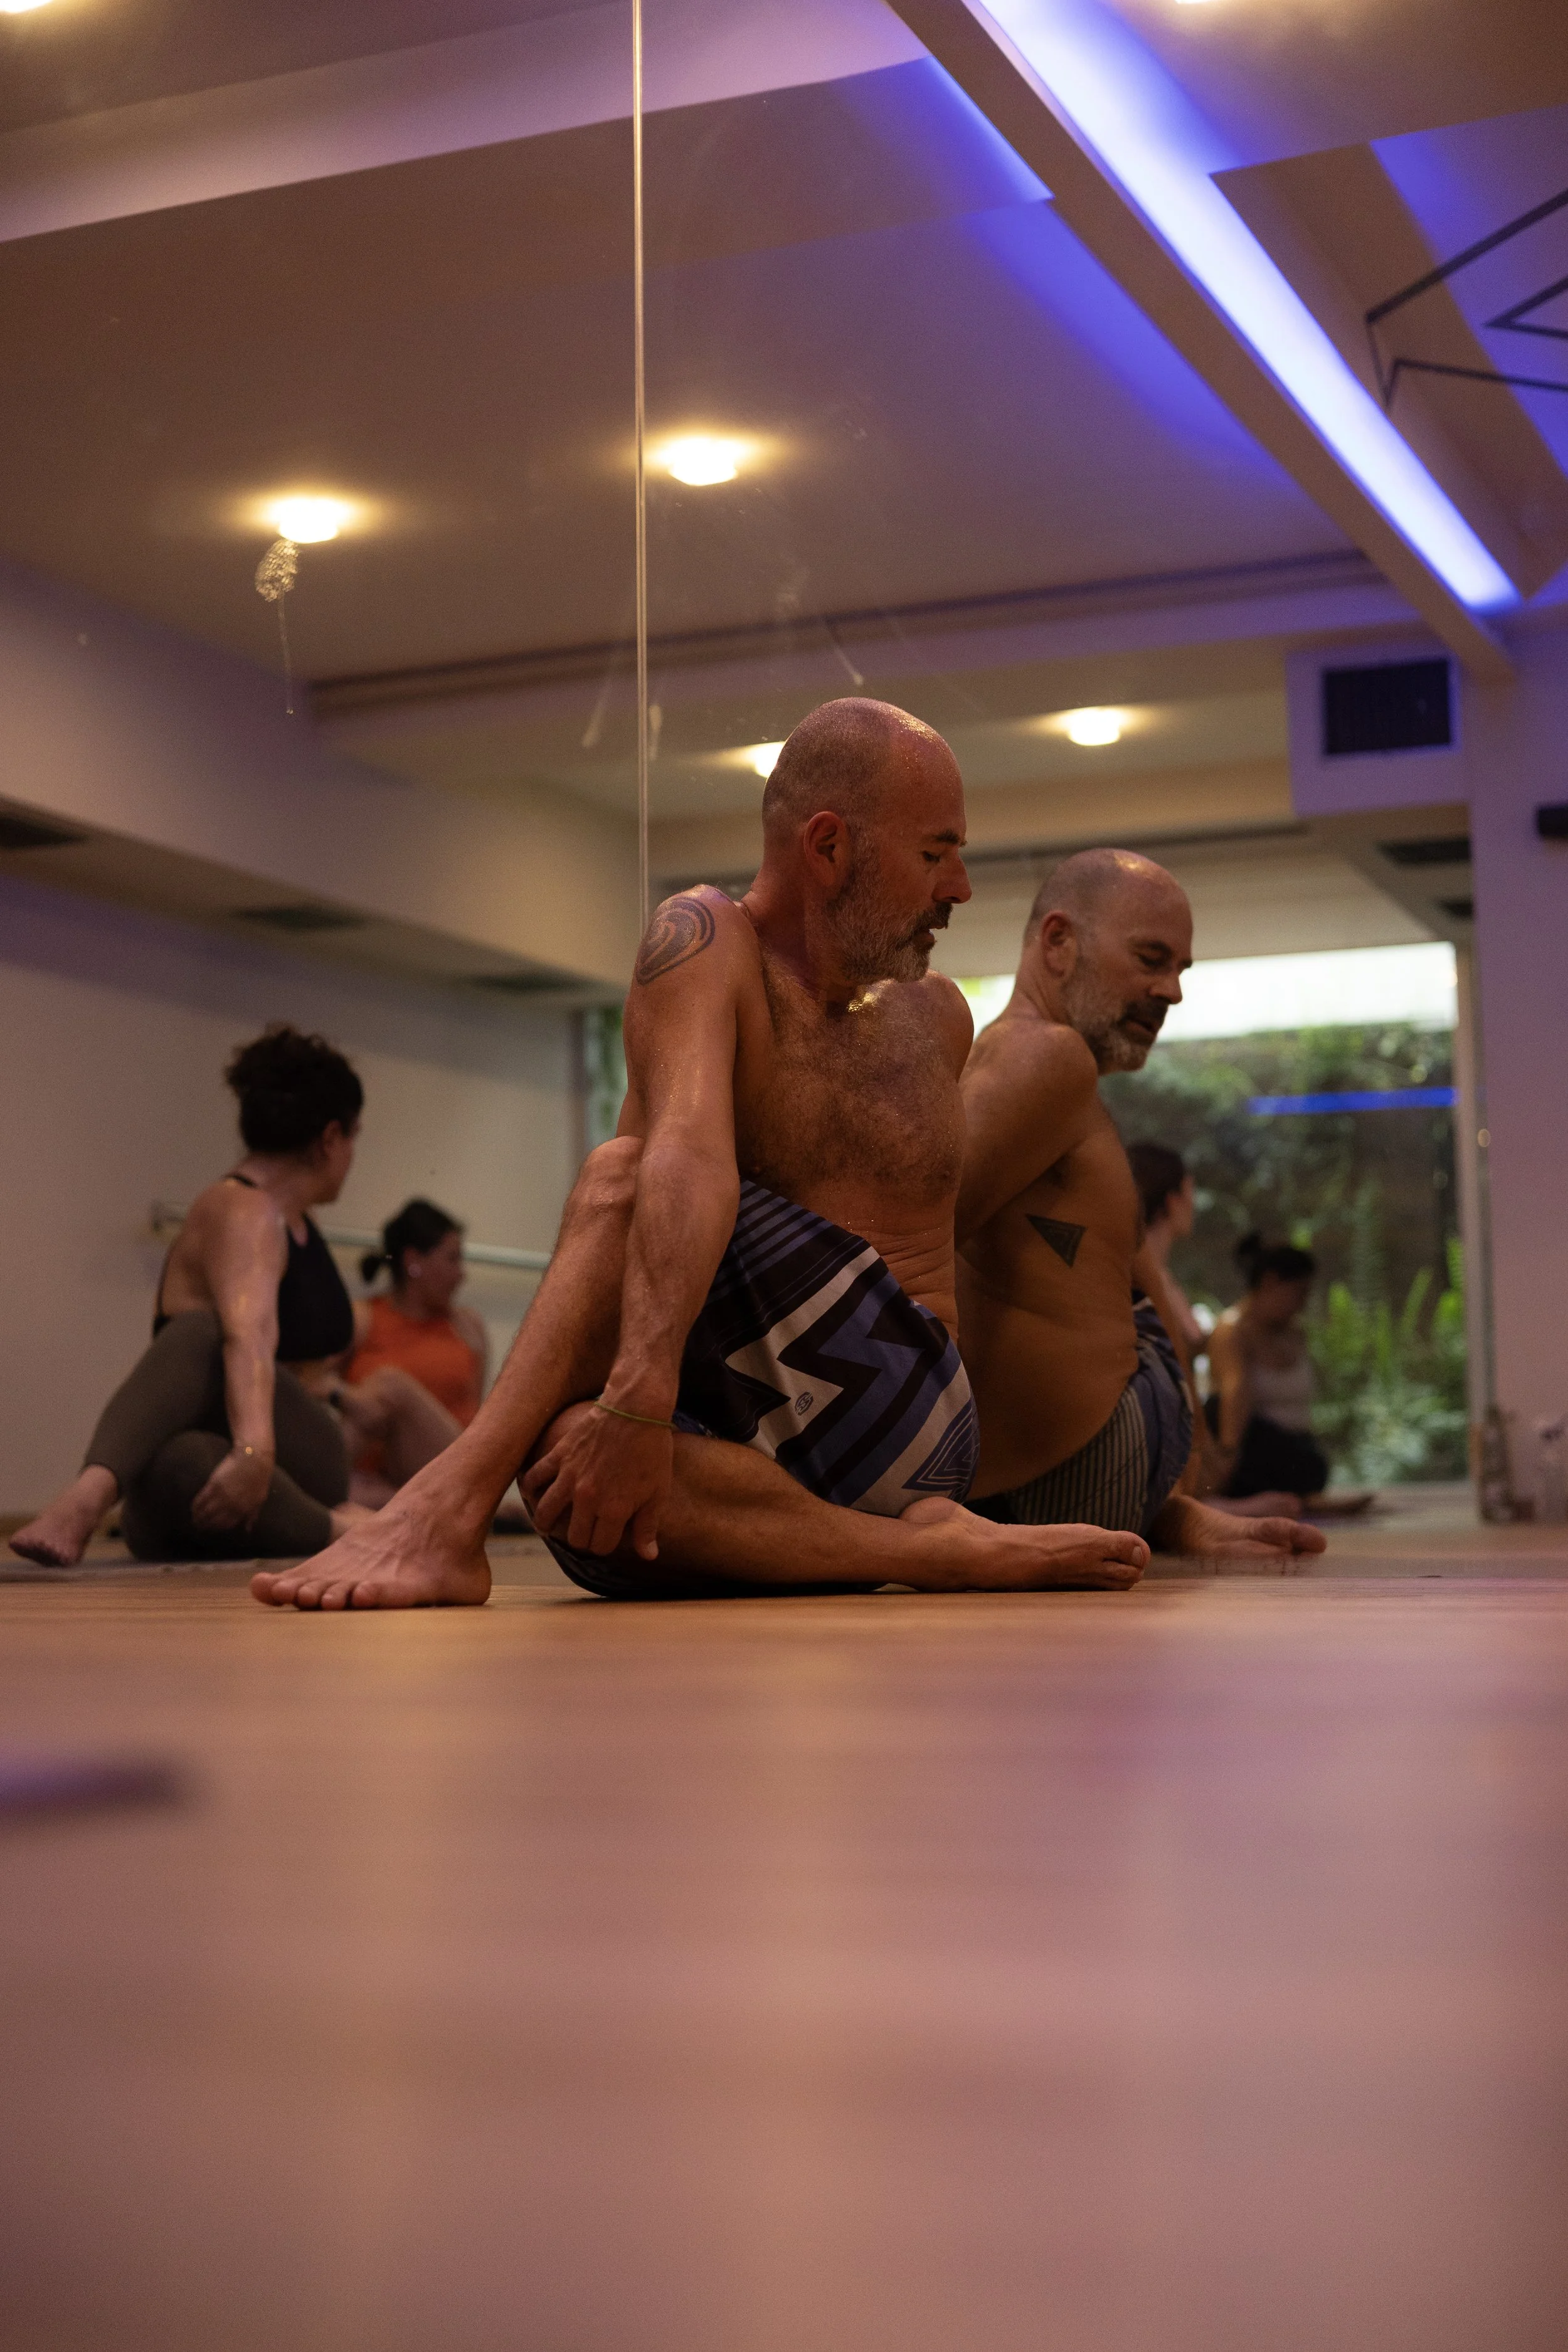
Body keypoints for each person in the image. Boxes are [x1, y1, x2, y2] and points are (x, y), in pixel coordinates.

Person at [253, 697, 1155, 1610]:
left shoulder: (937, 1017)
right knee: (571, 1478)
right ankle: (917, 1552)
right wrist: (637, 1409)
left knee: (618, 1174)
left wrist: (638, 1398)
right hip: (749, 1435)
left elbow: (670, 1167)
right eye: (935, 853)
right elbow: (690, 1153)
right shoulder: (710, 944)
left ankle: (445, 1507)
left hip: (905, 1417)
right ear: (830, 846)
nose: (959, 887)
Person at [955, 849, 1325, 1562]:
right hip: (1044, 1495)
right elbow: (914, 1241)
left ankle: (1167, 1513)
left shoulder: (1061, 1075)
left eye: (1180, 970)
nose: (1172, 991)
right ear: (1058, 942)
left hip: (1084, 1492)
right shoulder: (1042, 1058)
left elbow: (1110, 1267)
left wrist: (1173, 1495)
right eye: (1151, 959)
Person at [11, 1027, 374, 1566]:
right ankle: (335, 1527)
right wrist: (253, 1454)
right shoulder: (243, 1211)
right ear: (329, 1139)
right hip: (230, 1471)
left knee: (196, 1360)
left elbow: (293, 1363)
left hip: (304, 1463)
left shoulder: (295, 1223)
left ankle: (90, 1495)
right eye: (354, 1139)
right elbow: (246, 1338)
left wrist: (262, 1451)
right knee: (179, 1455)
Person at [344, 1199, 487, 1506]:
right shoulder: (363, 1319)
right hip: (378, 1479)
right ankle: (402, 1505)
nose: (460, 1274)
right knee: (347, 1493)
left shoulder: (467, 1327)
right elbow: (315, 1385)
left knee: (391, 1386)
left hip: (451, 1471)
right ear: (413, 1262)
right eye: (452, 1260)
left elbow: (480, 1421)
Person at [1206, 1236, 1332, 1501]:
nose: (1302, 1305)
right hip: (1250, 1450)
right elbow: (1233, 1393)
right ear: (1270, 1282)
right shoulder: (1232, 1332)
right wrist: (1227, 1456)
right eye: (1299, 1294)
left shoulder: (1295, 1334)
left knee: (1312, 1464)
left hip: (1298, 1453)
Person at [1124, 1142, 1206, 1361]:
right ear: (1172, 1200)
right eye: (1190, 1192)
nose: (1193, 1204)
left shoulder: (1159, 1272)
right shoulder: (1141, 1274)